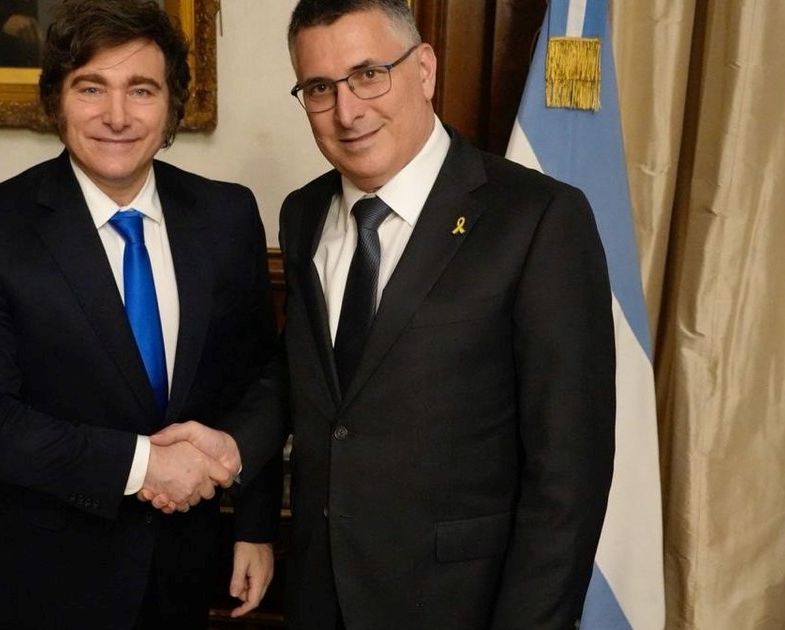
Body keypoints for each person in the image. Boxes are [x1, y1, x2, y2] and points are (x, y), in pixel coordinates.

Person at [148, 0, 616, 627]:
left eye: (369, 74)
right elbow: (309, 380)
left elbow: (569, 477)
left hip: (459, 605)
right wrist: (234, 445)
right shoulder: (303, 214)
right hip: (319, 593)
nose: (347, 111)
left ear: (424, 70)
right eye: (320, 88)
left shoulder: (537, 219)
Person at [0, 1, 280, 627]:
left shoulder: (226, 216)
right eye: (91, 88)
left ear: (171, 105)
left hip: (183, 570)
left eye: (141, 90)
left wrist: (254, 526)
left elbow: (261, 379)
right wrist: (143, 465)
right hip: (43, 583)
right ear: (57, 100)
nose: (117, 116)